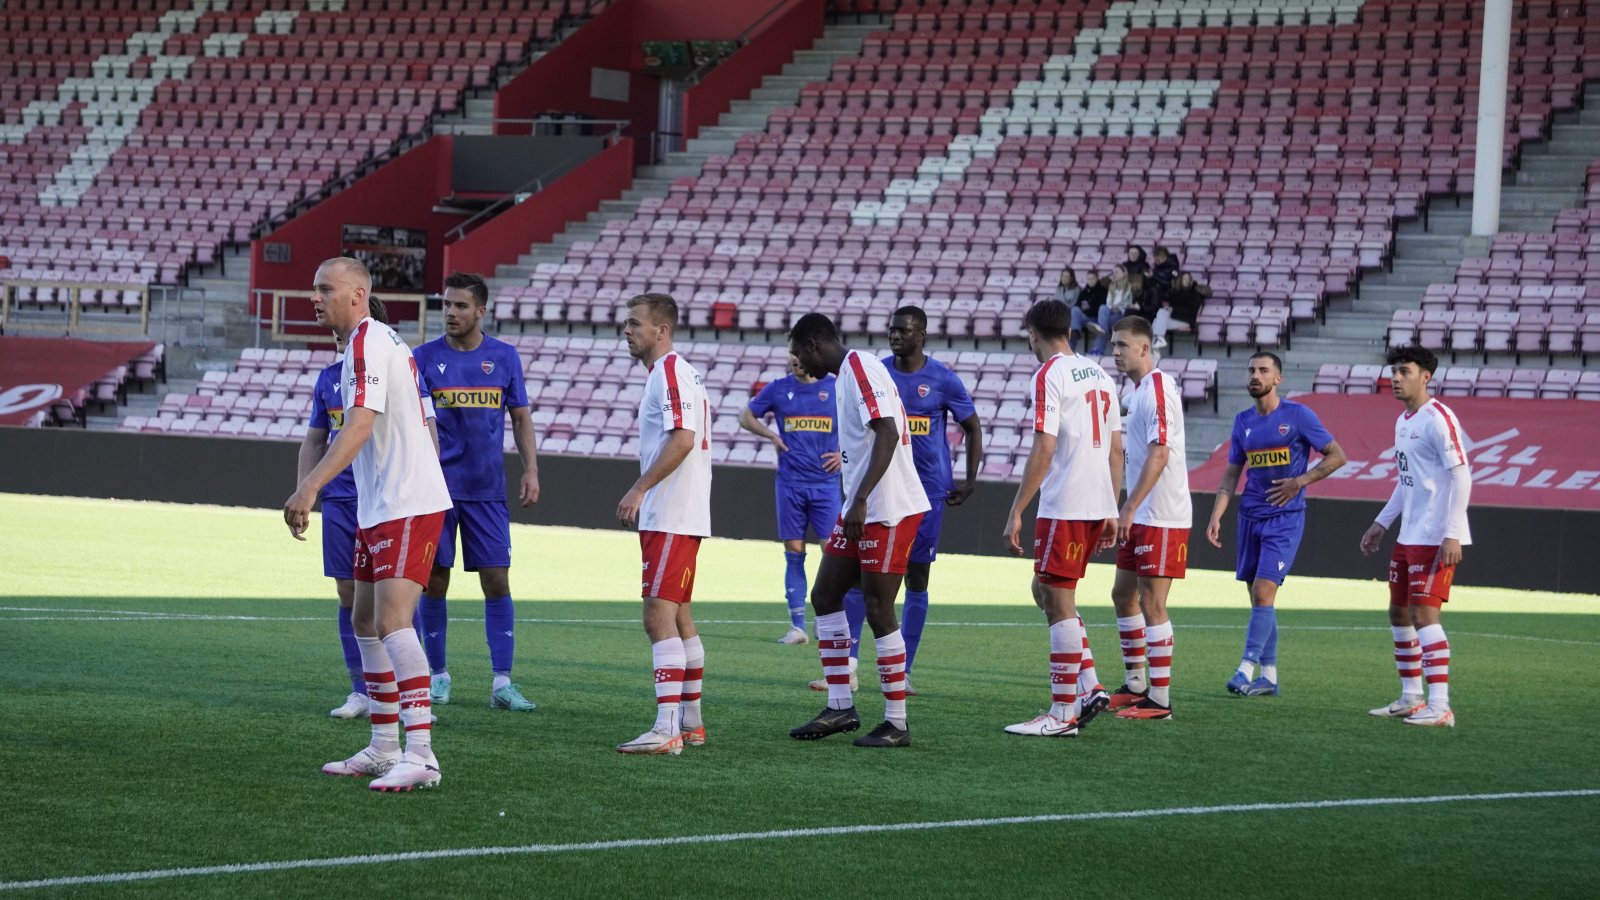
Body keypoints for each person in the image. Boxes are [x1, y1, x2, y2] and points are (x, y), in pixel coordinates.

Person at [285, 257, 452, 792]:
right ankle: (383, 747)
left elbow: (359, 424)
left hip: (405, 501)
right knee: (364, 617)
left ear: (358, 294)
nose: (315, 298)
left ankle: (421, 754)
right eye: (314, 289)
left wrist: (310, 486)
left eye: (325, 289)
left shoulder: (367, 342)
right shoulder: (370, 342)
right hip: (380, 503)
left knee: (394, 620)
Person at [787, 312, 930, 748]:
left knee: (878, 607)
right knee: (825, 595)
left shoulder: (860, 367)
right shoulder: (846, 375)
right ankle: (839, 706)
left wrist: (863, 497)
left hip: (888, 508)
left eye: (798, 353)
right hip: (862, 507)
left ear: (814, 345)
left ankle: (897, 723)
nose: (797, 363)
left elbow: (887, 431)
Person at [412, 272, 541, 713]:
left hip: (487, 491)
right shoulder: (423, 358)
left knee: (497, 580)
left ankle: (502, 682)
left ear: (481, 311)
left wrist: (531, 469)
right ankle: (438, 676)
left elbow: (521, 417)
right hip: (436, 491)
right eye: (446, 304)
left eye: (460, 306)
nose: (450, 312)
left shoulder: (504, 357)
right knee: (434, 580)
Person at [1001, 300, 1123, 737]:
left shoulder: (1049, 374)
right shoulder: (1101, 374)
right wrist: (1111, 507)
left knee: (1057, 600)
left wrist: (1017, 510)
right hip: (1095, 503)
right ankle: (1089, 687)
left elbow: (1045, 446)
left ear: (1033, 334)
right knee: (1045, 590)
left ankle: (1062, 714)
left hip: (1067, 504)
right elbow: (1116, 450)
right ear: (1069, 331)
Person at [1205, 352, 1347, 697]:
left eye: (1263, 370)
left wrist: (1300, 481)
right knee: (1259, 600)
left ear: (1277, 378)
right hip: (1250, 516)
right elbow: (1231, 475)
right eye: (1251, 370)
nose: (1256, 375)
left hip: (1284, 518)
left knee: (1263, 591)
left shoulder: (1298, 416)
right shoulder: (1242, 421)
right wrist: (1216, 514)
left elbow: (1337, 455)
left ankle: (1245, 667)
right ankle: (1268, 676)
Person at [615, 292, 714, 754]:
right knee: (679, 616)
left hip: (672, 512)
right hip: (681, 512)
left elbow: (683, 439)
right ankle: (690, 723)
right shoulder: (675, 372)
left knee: (657, 617)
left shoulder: (670, 372)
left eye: (635, 323)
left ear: (662, 330)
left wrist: (639, 488)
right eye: (627, 323)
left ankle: (666, 728)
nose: (627, 330)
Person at [300, 297, 401, 720]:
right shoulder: (328, 379)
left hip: (382, 497)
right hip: (341, 500)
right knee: (348, 594)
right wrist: (306, 490)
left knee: (394, 600)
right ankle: (361, 689)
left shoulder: (394, 372)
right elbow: (314, 439)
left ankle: (404, 690)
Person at [1359, 345, 1471, 728]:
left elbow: (1462, 475)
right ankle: (1411, 697)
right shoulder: (1404, 421)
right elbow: (1406, 480)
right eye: (1394, 371)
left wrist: (1452, 534)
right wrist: (1382, 522)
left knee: (1424, 614)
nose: (1395, 377)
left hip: (1435, 536)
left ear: (1426, 376)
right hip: (1409, 535)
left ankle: (1441, 706)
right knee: (1399, 612)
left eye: (1404, 371)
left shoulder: (1439, 418)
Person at [876, 304, 983, 692]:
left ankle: (903, 669)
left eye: (903, 330)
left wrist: (970, 479)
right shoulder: (878, 374)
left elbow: (972, 426)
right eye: (892, 329)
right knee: (869, 576)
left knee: (917, 577)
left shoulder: (943, 379)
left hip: (927, 492)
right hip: (885, 488)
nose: (895, 335)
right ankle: (849, 662)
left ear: (921, 335)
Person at [1106, 315, 1190, 721]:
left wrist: (1129, 505)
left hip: (1161, 514)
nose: (1115, 352)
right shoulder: (1138, 392)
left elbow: (1160, 453)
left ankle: (1160, 700)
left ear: (1144, 348)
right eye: (1113, 345)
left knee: (1152, 602)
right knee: (1123, 595)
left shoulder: (1158, 388)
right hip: (1142, 512)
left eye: (1122, 345)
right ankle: (1136, 683)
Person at [739, 352, 843, 644]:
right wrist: (771, 436)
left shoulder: (835, 387)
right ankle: (798, 627)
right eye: (791, 353)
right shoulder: (778, 388)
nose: (795, 359)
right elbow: (745, 416)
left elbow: (864, 423)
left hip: (826, 484)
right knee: (794, 550)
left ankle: (825, 617)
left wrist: (843, 454)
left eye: (799, 353)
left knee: (832, 553)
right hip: (790, 483)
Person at [1092, 265, 1138, 354]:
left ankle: (1098, 349)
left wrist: (1119, 308)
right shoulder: (1111, 286)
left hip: (1121, 315)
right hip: (1110, 312)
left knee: (1104, 324)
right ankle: (1101, 331)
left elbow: (1129, 303)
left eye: (1116, 272)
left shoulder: (1129, 287)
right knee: (1103, 308)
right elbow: (1108, 302)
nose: (1114, 274)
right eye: (1113, 272)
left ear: (1124, 273)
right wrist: (1112, 308)